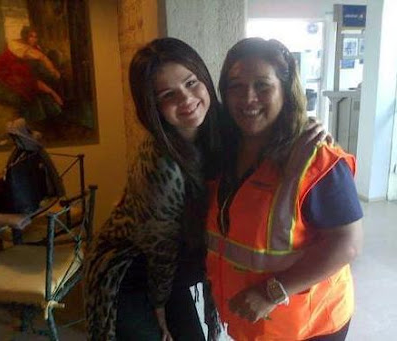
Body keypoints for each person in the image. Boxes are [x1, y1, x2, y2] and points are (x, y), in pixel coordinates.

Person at [206, 38, 364, 341]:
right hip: (251, 322)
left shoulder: (316, 158)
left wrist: (272, 292)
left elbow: (349, 243)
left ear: (285, 91)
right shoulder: (223, 152)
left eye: (262, 86)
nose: (248, 98)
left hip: (309, 325)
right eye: (235, 86)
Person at [83, 37, 222, 341]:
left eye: (190, 82)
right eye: (168, 94)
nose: (185, 99)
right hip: (131, 271)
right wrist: (160, 308)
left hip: (172, 268)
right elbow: (160, 250)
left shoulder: (219, 132)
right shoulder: (164, 165)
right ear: (152, 106)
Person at [0, 26, 63, 106]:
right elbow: (42, 57)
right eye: (31, 36)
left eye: (35, 37)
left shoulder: (32, 48)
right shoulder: (19, 48)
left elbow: (41, 58)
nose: (34, 39)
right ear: (25, 37)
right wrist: (53, 71)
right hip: (2, 70)